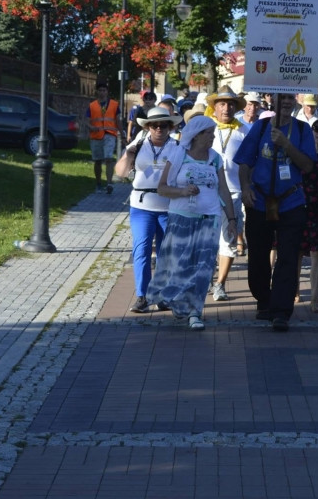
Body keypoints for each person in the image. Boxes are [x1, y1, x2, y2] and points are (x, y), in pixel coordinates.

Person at [235, 92, 316, 332]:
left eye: (291, 98)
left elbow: (308, 166)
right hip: (259, 201)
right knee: (258, 256)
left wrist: (287, 145)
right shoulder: (260, 128)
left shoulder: (302, 130)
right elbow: (244, 163)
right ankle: (264, 299)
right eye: (282, 98)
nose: (287, 102)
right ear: (273, 101)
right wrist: (245, 186)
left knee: (288, 257)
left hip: (291, 201)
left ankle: (281, 311)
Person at [148, 115, 236, 330]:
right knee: (180, 266)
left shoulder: (215, 158)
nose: (213, 137)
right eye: (209, 133)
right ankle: (179, 304)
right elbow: (162, 188)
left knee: (203, 267)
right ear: (196, 135)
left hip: (210, 218)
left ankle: (195, 312)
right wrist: (182, 191)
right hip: (181, 219)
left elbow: (223, 189)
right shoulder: (178, 155)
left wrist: (231, 219)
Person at [114, 106, 183, 313]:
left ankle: (162, 295)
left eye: (164, 125)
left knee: (165, 253)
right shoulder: (140, 142)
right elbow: (120, 173)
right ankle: (142, 296)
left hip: (168, 206)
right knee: (141, 248)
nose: (159, 129)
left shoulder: (177, 146)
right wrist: (128, 155)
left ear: (170, 126)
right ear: (148, 126)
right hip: (141, 205)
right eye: (155, 125)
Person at [207, 87, 249, 301]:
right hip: (206, 191)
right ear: (214, 106)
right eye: (222, 103)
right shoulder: (205, 126)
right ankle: (206, 276)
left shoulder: (245, 129)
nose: (227, 107)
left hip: (234, 191)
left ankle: (220, 283)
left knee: (230, 239)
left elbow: (251, 160)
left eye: (231, 103)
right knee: (206, 239)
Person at [297, 118, 318, 313]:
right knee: (296, 253)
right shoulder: (302, 154)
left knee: (317, 252)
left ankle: (314, 298)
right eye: (316, 131)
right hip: (300, 206)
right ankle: (294, 291)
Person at [88, 80, 122, 194]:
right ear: (97, 92)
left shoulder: (114, 104)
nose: (102, 92)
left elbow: (118, 120)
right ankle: (98, 183)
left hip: (109, 134)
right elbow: (86, 121)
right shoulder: (92, 105)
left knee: (108, 158)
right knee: (98, 161)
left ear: (107, 92)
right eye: (100, 90)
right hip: (96, 136)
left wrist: (122, 134)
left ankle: (109, 183)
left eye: (104, 90)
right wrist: (91, 127)